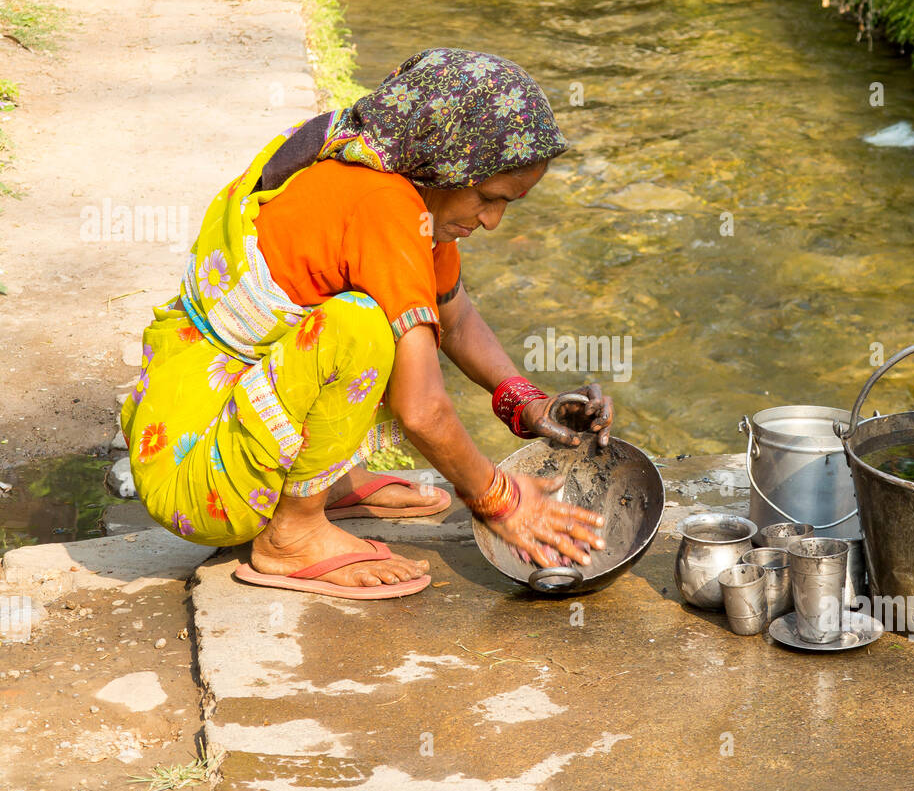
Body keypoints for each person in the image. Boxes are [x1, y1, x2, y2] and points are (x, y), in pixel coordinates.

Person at [120, 48, 611, 599]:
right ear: (445, 165)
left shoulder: (392, 173)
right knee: (364, 327)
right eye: (489, 198)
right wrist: (501, 499)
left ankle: (315, 487)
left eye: (508, 205)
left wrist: (526, 402)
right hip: (194, 474)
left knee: (406, 323)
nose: (493, 221)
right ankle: (292, 532)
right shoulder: (383, 204)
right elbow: (421, 410)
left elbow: (454, 311)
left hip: (221, 423)